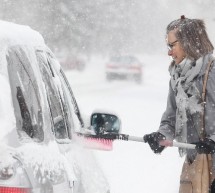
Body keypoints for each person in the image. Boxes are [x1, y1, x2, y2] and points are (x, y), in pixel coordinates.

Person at [144, 15, 215, 192]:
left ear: (189, 42)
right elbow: (171, 117)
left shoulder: (211, 72)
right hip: (197, 167)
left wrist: (213, 141)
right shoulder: (178, 77)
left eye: (172, 45)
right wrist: (161, 136)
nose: (169, 52)